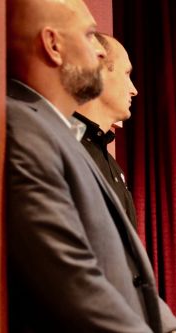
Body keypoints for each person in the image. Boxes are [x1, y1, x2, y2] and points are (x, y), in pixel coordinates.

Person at [5, 0, 176, 332]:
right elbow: (66, 274)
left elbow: (128, 272)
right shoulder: (23, 126)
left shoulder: (57, 131)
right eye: (89, 35)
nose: (102, 53)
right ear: (52, 45)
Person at [73, 33, 138, 229]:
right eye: (127, 74)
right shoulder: (66, 148)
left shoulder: (113, 166)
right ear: (99, 71)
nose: (134, 90)